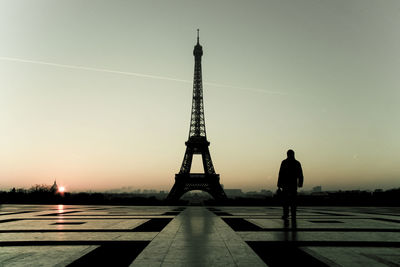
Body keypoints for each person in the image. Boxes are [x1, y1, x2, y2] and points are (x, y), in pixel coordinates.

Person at [277, 149, 303, 219]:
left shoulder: (284, 162)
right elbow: (300, 174)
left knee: (286, 201)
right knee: (293, 201)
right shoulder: (297, 163)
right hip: (293, 184)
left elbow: (280, 174)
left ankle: (286, 214)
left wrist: (279, 185)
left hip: (285, 185)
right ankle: (293, 215)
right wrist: (300, 183)